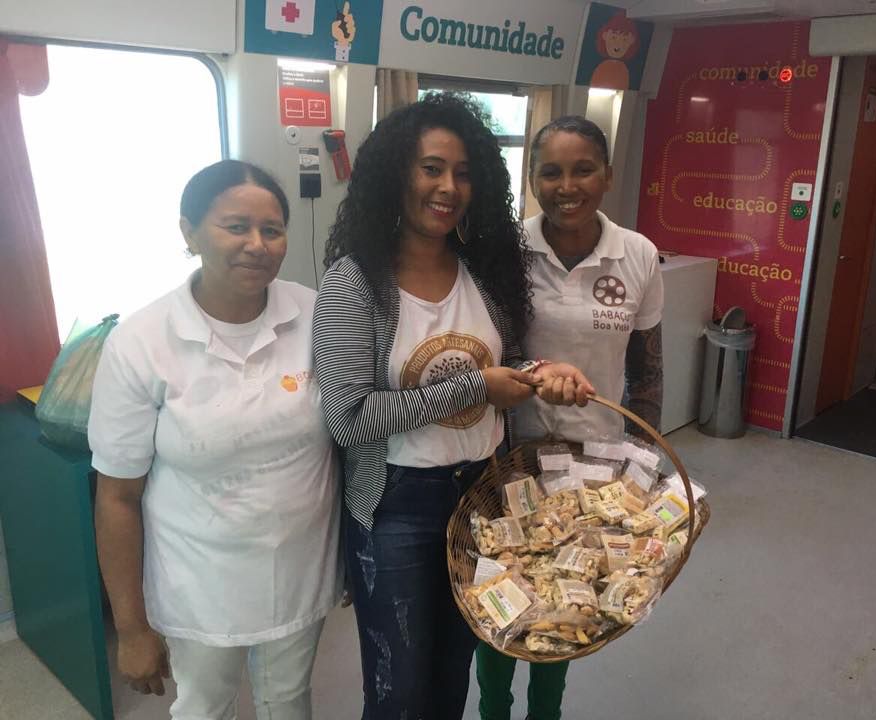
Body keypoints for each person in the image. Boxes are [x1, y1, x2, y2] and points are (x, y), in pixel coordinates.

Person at [313, 93, 595, 720]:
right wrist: (474, 388)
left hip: (482, 496)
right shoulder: (353, 283)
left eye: (463, 173)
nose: (448, 187)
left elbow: (506, 365)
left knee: (450, 677)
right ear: (397, 174)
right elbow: (348, 418)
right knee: (399, 691)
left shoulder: (483, 272)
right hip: (397, 505)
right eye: (431, 168)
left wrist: (540, 374)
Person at [89, 160, 343, 720]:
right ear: (190, 232)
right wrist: (131, 628)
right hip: (198, 583)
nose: (257, 245)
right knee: (204, 708)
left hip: (301, 570)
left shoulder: (314, 312)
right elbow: (117, 496)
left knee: (288, 702)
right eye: (235, 226)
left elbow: (349, 436)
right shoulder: (141, 341)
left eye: (272, 230)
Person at [475, 116, 665, 720]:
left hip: (594, 461)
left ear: (607, 174)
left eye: (583, 170)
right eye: (550, 172)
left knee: (566, 597)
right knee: (502, 589)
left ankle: (546, 712)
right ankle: (494, 709)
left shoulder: (637, 254)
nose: (566, 186)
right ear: (532, 178)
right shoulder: (506, 251)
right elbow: (487, 350)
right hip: (508, 452)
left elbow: (647, 369)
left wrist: (645, 465)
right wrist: (537, 371)